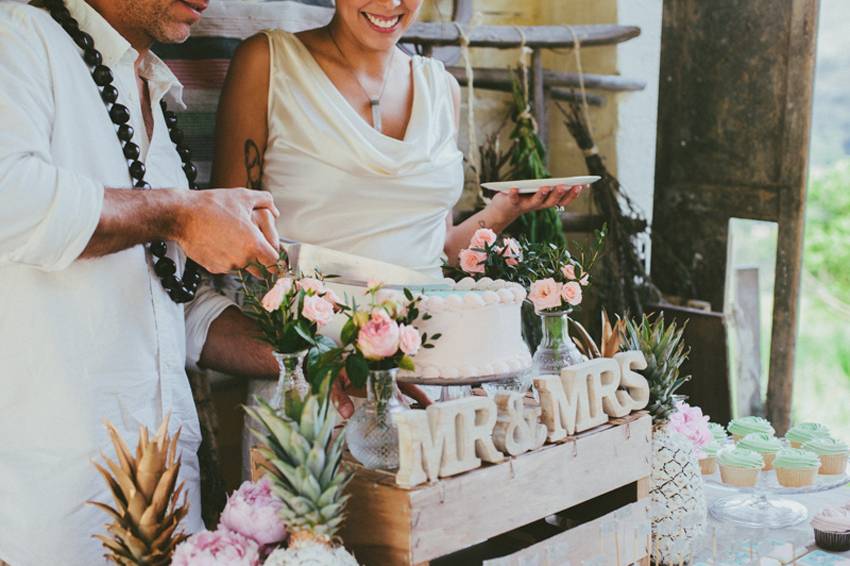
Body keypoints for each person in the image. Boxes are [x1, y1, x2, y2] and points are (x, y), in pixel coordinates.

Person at [0, 0, 285, 563]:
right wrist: (180, 214)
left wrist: (320, 355)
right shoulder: (18, 37)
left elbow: (172, 304)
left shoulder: (150, 86)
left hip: (170, 510)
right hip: (53, 515)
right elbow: (10, 197)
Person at [213, 0, 585, 417]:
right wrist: (333, 349)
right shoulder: (269, 63)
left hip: (431, 379)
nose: (390, 3)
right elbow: (228, 235)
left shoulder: (441, 88)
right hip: (315, 376)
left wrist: (503, 211)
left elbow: (439, 248)